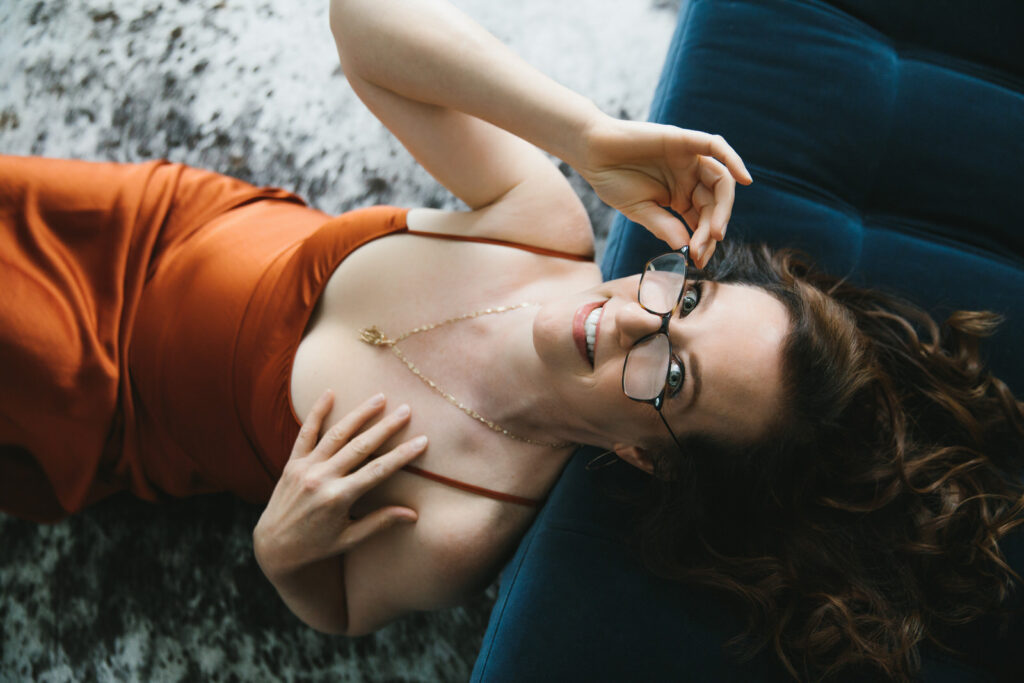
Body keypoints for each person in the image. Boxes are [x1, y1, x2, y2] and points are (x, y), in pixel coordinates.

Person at [0, 0, 1019, 678]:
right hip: (150, 220)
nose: (629, 313)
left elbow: (342, 604)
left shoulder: (462, 517)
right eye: (685, 300)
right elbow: (363, 27)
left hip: (101, 406)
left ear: (643, 450)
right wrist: (584, 133)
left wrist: (283, 554)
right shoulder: (538, 228)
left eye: (668, 371)